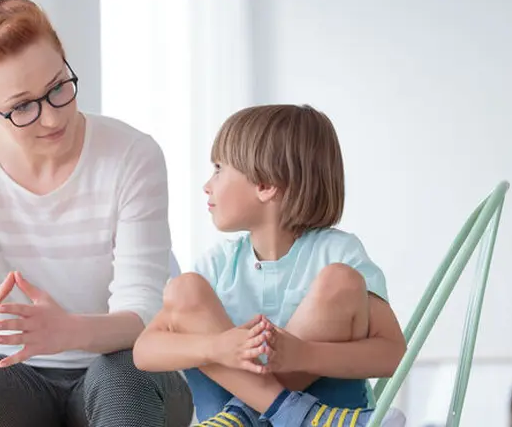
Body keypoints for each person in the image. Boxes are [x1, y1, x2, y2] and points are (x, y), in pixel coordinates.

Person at [0, 0, 193, 426]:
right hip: (17, 381)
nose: (52, 118)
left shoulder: (132, 154)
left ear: (64, 59)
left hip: (122, 371)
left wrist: (68, 331)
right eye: (23, 106)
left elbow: (144, 317)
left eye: (59, 86)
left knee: (123, 371)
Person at [133, 104, 408, 426]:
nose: (207, 185)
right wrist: (217, 347)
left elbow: (392, 354)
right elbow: (144, 351)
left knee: (340, 280)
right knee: (184, 288)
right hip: (292, 417)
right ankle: (294, 414)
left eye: (219, 169)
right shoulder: (218, 264)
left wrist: (304, 353)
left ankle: (246, 417)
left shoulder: (337, 254)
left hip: (318, 413)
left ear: (265, 185)